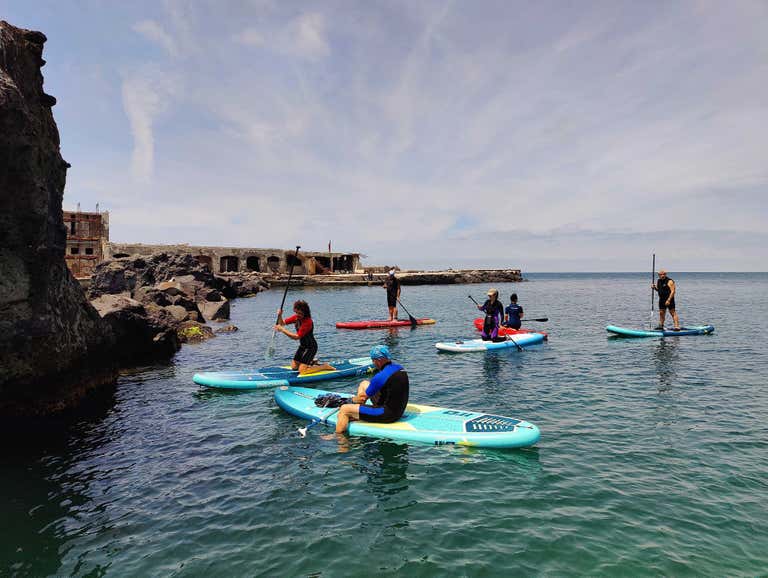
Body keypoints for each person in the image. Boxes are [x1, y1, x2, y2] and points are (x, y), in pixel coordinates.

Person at [335, 345, 409, 434]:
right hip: (398, 410)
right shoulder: (399, 368)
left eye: (373, 360)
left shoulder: (380, 376)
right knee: (364, 384)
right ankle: (358, 413)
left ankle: (339, 438)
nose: (373, 363)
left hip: (387, 415)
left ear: (379, 360)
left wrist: (346, 401)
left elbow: (362, 398)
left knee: (344, 409)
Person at [274, 300, 335, 374]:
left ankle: (324, 366)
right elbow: (282, 323)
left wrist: (282, 330)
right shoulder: (296, 317)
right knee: (294, 367)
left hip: (311, 347)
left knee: (302, 371)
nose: (298, 315)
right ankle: (312, 362)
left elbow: (296, 337)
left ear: (305, 312)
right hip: (302, 346)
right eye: (296, 312)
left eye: (300, 313)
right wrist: (280, 315)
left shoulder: (308, 321)